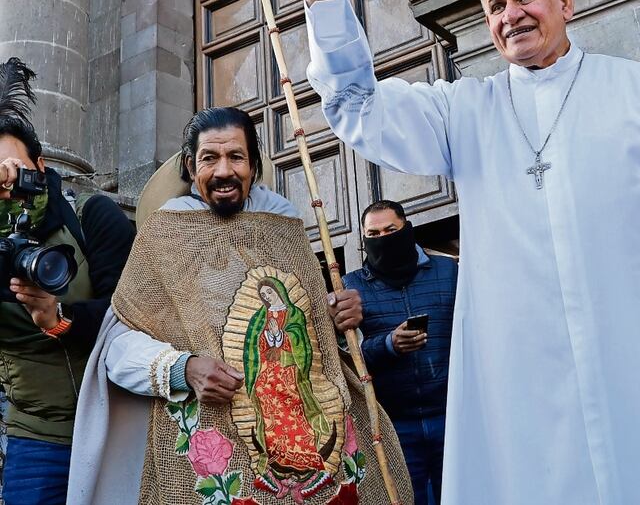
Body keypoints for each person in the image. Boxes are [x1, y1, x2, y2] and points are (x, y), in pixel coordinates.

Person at [285, 0, 640, 503]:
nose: (509, 14)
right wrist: (325, 1)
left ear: (564, 1)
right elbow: (358, 109)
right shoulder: (465, 109)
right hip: (522, 378)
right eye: (494, 6)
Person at [66, 107, 412, 505]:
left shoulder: (284, 227)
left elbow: (312, 337)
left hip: (307, 446)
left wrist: (335, 319)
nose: (223, 171)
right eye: (209, 158)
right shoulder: (167, 234)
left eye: (236, 157)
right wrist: (184, 368)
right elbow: (118, 343)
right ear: (189, 165)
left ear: (254, 164)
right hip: (213, 449)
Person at [0, 58, 135, 505]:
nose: (7, 190)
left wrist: (58, 319)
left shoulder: (91, 216)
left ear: (39, 164)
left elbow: (134, 315)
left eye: (12, 172)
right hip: (36, 435)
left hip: (114, 425)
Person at [344, 200, 458, 505]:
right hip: (394, 427)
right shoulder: (351, 287)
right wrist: (388, 345)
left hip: (453, 415)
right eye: (374, 233)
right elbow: (347, 360)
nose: (383, 238)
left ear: (406, 230)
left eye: (390, 230)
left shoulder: (449, 272)